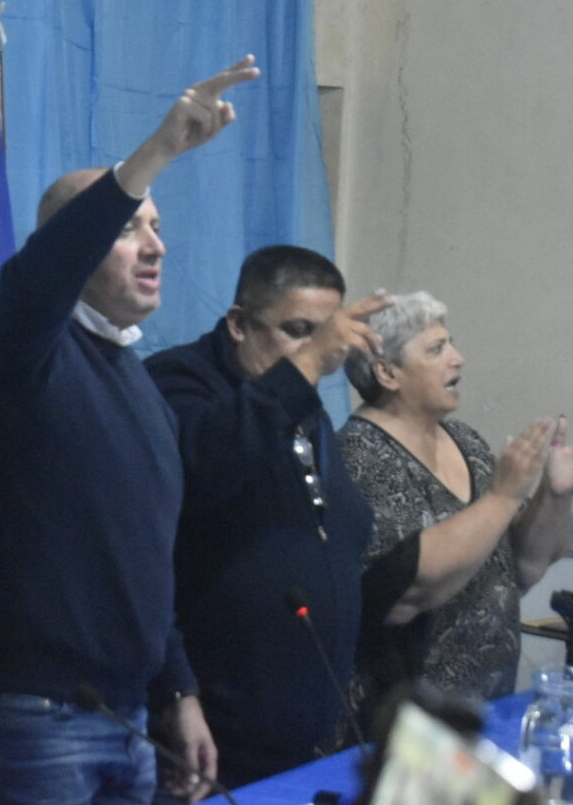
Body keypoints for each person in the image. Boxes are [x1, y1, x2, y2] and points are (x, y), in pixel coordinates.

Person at [0, 56, 260, 805]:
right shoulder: (17, 349)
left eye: (157, 227)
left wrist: (177, 690)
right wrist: (158, 151)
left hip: (129, 720)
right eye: (126, 228)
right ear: (74, 247)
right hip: (33, 720)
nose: (155, 246)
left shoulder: (139, 385)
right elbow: (43, 275)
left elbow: (144, 563)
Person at [143, 245, 390, 787]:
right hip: (208, 725)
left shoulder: (297, 402)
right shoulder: (175, 382)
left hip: (304, 731)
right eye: (299, 331)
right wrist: (305, 366)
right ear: (238, 324)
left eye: (326, 335)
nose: (319, 352)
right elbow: (212, 461)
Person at [338, 291, 573, 715]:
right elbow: (406, 591)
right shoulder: (358, 455)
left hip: (487, 710)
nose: (458, 359)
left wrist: (554, 495)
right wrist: (504, 496)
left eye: (450, 344)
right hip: (403, 720)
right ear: (387, 372)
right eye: (437, 349)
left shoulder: (465, 441)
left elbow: (523, 566)